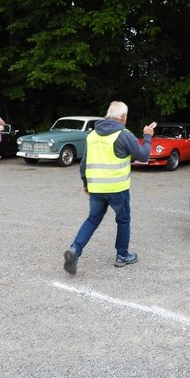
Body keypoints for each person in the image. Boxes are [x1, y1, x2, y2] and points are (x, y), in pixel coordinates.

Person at [63, 101, 155, 275]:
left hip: (96, 188)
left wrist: (86, 184)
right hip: (117, 188)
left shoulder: (92, 135)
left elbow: (84, 164)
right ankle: (122, 255)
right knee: (123, 220)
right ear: (122, 117)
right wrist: (147, 136)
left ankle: (75, 249)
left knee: (92, 219)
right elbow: (143, 156)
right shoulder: (124, 134)